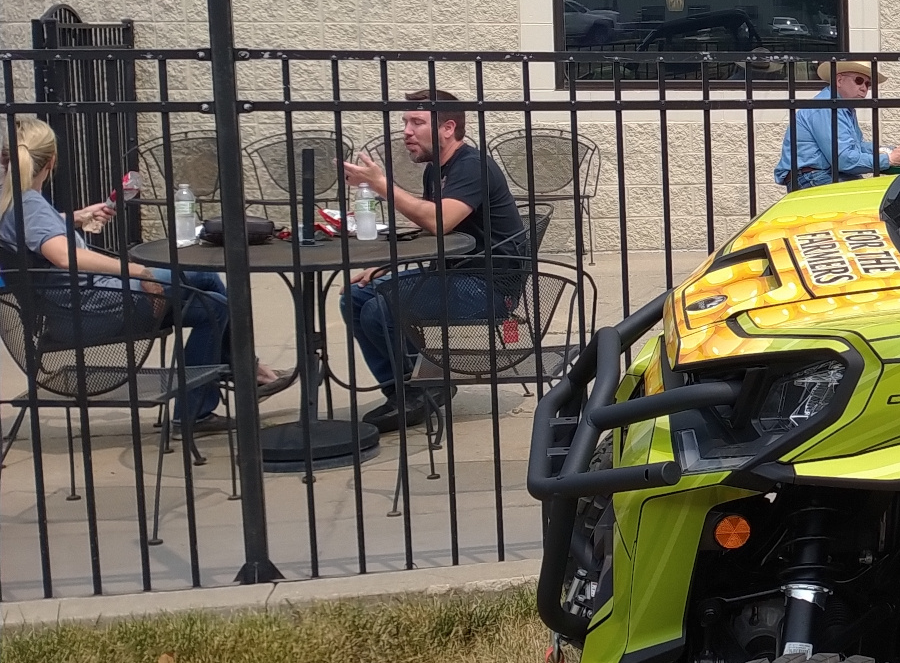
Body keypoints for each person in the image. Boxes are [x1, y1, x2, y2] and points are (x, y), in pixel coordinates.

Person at [0, 118, 282, 429]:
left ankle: (222, 390)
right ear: (52, 160)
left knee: (211, 298)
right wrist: (135, 270)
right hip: (94, 310)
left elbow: (36, 231)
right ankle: (236, 377)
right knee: (208, 289)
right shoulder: (31, 206)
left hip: (71, 310)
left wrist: (77, 217)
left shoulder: (12, 201)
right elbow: (65, 256)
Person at [338, 89, 532, 431]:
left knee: (380, 309)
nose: (406, 132)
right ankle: (404, 392)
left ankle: (425, 387)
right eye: (405, 123)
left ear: (448, 128)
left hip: (487, 286)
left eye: (417, 122)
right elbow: (435, 232)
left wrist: (381, 185)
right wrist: (389, 263)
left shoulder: (471, 167)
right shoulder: (435, 171)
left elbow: (439, 221)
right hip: (452, 277)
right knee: (354, 297)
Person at [774, 60, 900, 192]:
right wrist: (889, 159)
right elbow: (843, 160)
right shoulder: (828, 107)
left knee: (883, 195)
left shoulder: (842, 107)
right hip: (810, 177)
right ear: (839, 80)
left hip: (822, 174)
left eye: (867, 84)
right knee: (879, 199)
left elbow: (856, 146)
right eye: (859, 81)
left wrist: (888, 150)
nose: (864, 88)